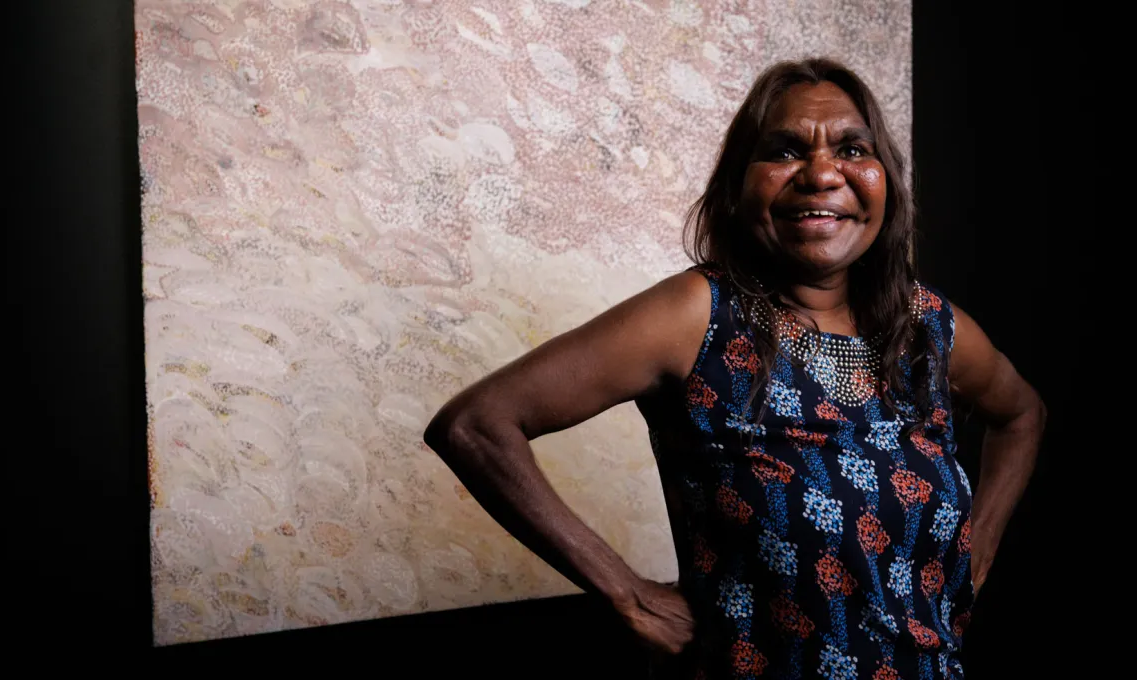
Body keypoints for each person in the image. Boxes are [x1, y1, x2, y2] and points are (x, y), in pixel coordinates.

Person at [423, 58, 1044, 679]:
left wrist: (979, 543)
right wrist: (629, 595)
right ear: (738, 186)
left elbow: (1022, 415)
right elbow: (476, 424)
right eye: (785, 151)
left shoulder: (927, 327)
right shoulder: (698, 317)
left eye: (853, 148)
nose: (823, 173)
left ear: (886, 180)